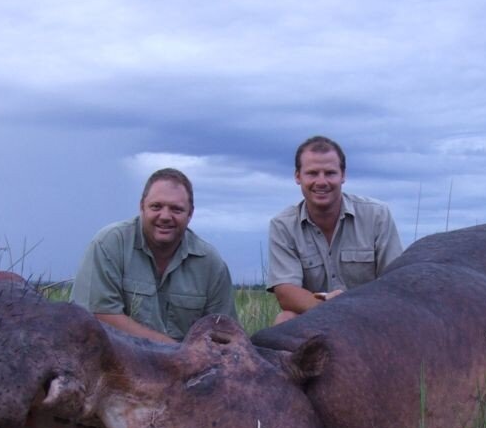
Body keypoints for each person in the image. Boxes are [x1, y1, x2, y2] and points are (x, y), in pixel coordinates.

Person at [71, 168, 237, 342]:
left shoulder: (210, 263)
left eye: (176, 209)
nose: (165, 216)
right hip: (114, 362)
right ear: (141, 206)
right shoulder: (109, 244)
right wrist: (177, 352)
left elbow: (224, 333)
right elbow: (100, 317)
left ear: (190, 213)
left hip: (188, 366)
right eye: (156, 206)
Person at [266, 136, 403, 324]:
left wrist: (351, 311)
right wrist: (331, 310)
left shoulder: (377, 215)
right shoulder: (283, 225)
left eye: (330, 173)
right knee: (285, 320)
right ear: (298, 176)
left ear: (343, 175)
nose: (321, 182)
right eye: (312, 173)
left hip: (371, 319)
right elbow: (285, 293)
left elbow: (395, 283)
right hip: (316, 318)